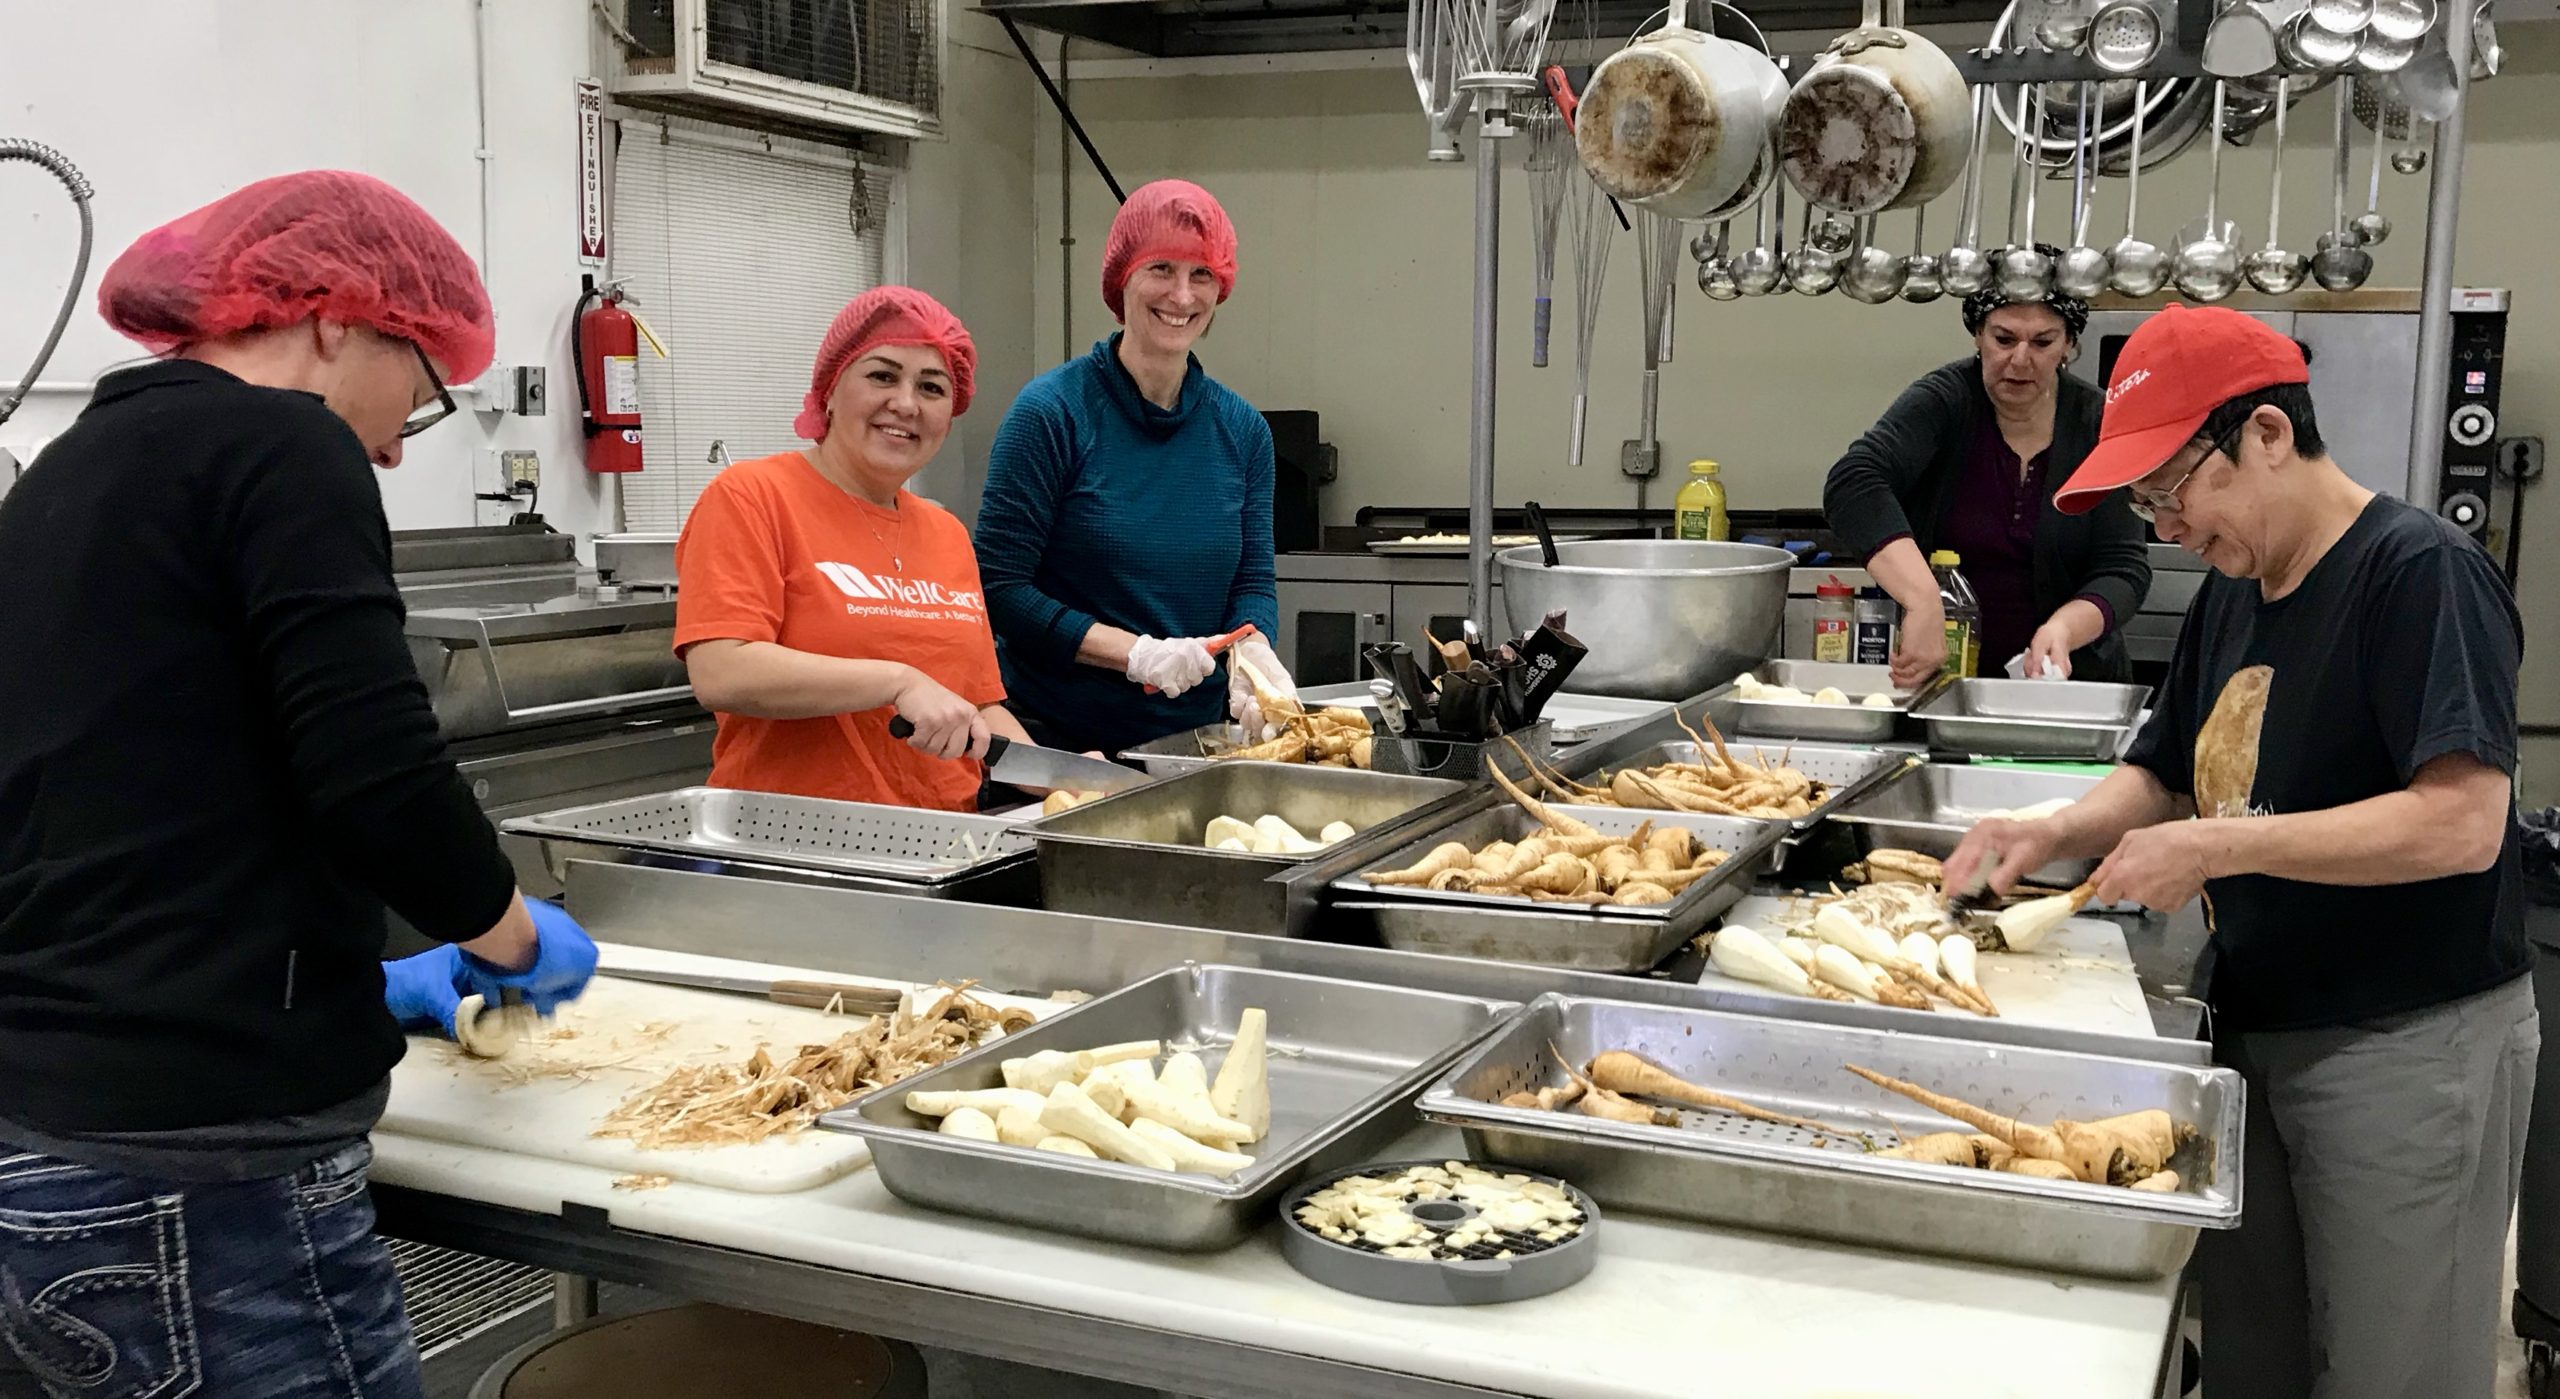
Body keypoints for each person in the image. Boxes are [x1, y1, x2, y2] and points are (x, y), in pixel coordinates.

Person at [0, 171, 598, 1398]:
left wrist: (355, 977)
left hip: (44, 1141)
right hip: (204, 1180)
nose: (390, 442)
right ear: (338, 316)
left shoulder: (71, 468)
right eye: (422, 389)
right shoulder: (283, 443)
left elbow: (133, 806)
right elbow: (374, 768)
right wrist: (507, 929)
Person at [1945, 305, 2535, 1399]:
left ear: (2266, 433)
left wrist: (2215, 846)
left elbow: (2460, 822)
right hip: (2256, 1031)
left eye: (2172, 489)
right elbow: (2163, 769)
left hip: (2404, 1047)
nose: (2165, 525)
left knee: (2390, 1370)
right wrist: (2053, 828)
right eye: (2145, 504)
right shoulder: (2233, 592)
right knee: (2256, 1359)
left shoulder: (2418, 573)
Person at [677, 286, 1041, 811]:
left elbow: (979, 703)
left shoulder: (945, 533)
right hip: (790, 847)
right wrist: (897, 681)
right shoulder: (751, 497)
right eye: (882, 375)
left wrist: (1059, 773)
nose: (906, 403)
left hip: (944, 847)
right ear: (830, 387)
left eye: (932, 387)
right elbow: (721, 671)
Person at [975, 179, 1289, 759]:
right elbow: (1001, 589)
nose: (1182, 295)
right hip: (1059, 748)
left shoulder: (1244, 432)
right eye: (1161, 269)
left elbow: (1251, 581)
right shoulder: (1051, 415)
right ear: (1122, 278)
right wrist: (1133, 653)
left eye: (1202, 275)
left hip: (1196, 745)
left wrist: (1253, 652)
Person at [1824, 261, 2151, 686]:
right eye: (2004, 339)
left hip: (2066, 687)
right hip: (1937, 681)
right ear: (1978, 335)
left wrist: (2063, 630)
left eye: (2042, 342)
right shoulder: (1944, 402)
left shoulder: (2097, 421)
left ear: (2069, 344)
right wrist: (1925, 601)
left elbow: (2123, 567)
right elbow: (1854, 482)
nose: (2019, 359)